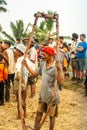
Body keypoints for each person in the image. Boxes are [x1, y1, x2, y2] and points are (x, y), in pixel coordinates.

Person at [23, 46, 63, 130]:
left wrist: (60, 70)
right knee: (38, 114)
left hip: (52, 96)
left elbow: (60, 81)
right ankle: (36, 128)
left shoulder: (56, 66)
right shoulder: (43, 64)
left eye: (44, 55)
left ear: (50, 55)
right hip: (43, 95)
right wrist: (26, 65)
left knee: (51, 117)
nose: (42, 56)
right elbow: (35, 73)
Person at [14, 43, 35, 119]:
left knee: (19, 99)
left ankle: (20, 114)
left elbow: (18, 69)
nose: (15, 51)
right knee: (22, 98)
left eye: (17, 50)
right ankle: (23, 113)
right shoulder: (25, 59)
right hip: (24, 81)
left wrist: (20, 74)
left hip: (20, 80)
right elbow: (33, 67)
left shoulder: (21, 59)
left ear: (20, 52)